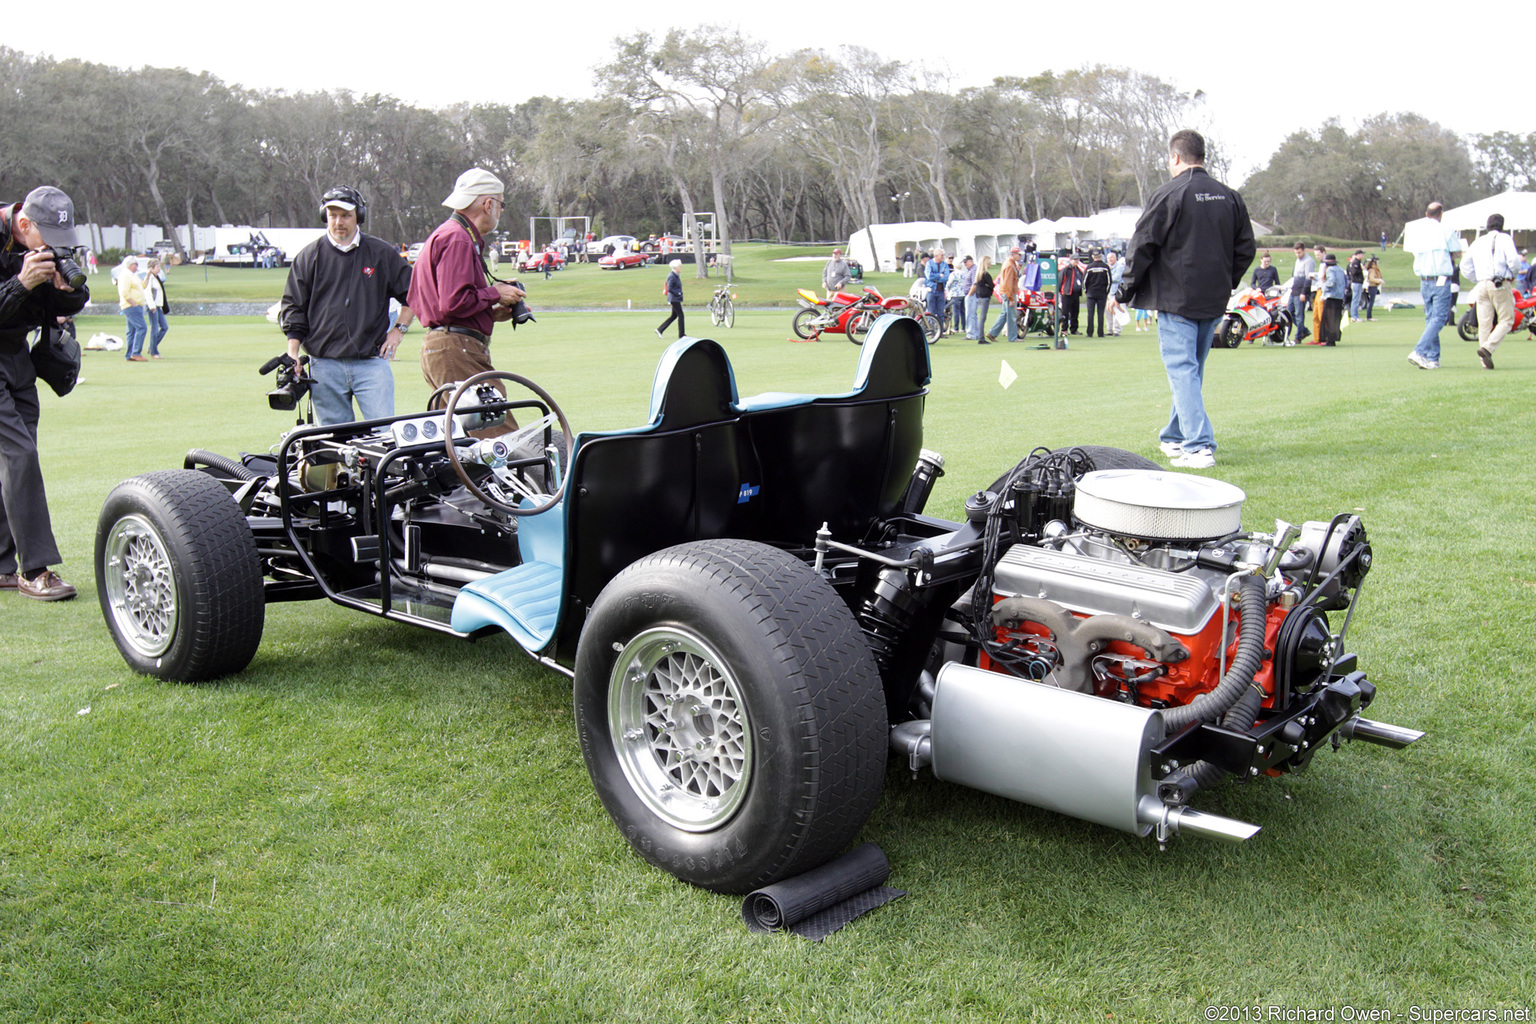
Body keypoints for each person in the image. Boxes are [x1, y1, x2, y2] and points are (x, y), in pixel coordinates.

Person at [1116, 129, 1254, 470]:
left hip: (1177, 299)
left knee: (1183, 370)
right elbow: (1246, 249)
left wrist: (1123, 291)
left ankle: (1198, 445)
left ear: (1175, 157)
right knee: (1191, 370)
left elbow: (1142, 245)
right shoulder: (1230, 196)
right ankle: (1174, 437)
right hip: (1213, 298)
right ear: (1202, 156)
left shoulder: (1170, 192)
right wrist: (1226, 280)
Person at [0, 186, 90, 601]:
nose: (56, 249)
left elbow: (67, 303)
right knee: (20, 455)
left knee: (16, 460)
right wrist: (21, 283)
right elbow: (16, 297)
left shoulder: (50, 249)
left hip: (17, 355)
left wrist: (67, 291)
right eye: (49, 240)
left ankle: (2, 565)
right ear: (24, 225)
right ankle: (35, 569)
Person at [280, 185, 415, 424]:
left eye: (345, 215)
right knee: (332, 445)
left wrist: (399, 330)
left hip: (371, 365)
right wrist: (293, 353)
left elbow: (415, 294)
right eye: (333, 215)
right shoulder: (308, 256)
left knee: (383, 438)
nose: (338, 222)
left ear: (358, 216)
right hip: (324, 366)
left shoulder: (381, 253)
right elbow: (293, 308)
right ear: (325, 217)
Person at [410, 168, 528, 416]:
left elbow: (439, 304)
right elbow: (452, 303)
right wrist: (495, 293)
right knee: (498, 437)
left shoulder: (447, 234)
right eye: (501, 204)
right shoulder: (458, 239)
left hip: (444, 346)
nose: (501, 211)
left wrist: (489, 313)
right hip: (457, 349)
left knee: (462, 443)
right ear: (489, 204)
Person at [1402, 201, 1463, 370]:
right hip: (1441, 278)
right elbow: (1457, 250)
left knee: (1431, 319)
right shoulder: (1446, 230)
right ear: (1441, 213)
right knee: (1440, 318)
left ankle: (1432, 358)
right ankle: (1419, 351)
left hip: (1424, 279)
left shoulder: (1417, 232)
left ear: (1426, 213)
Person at [1462, 212, 1522, 370]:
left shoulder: (1478, 241)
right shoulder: (1504, 239)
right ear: (1502, 226)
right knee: (1507, 319)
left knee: (1484, 323)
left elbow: (1465, 266)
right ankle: (1488, 348)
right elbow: (1514, 261)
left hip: (1482, 284)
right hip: (1500, 282)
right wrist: (1513, 274)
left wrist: (1477, 278)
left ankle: (1484, 361)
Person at [986, 248, 1022, 342]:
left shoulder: (1009, 263)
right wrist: (1011, 298)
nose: (1020, 256)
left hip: (1005, 292)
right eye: (1019, 254)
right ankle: (1013, 337)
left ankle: (992, 332)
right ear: (1013, 254)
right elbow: (1008, 283)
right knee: (1011, 316)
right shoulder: (1010, 265)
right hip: (1008, 292)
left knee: (1004, 314)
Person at [1312, 253, 1347, 345]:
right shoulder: (1340, 269)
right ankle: (1334, 338)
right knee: (1335, 319)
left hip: (1331, 296)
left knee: (1329, 319)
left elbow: (1331, 282)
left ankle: (1329, 340)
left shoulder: (1330, 270)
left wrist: (1324, 288)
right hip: (1339, 297)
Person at [117, 255, 147, 362]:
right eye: (136, 265)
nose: (137, 267)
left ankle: (129, 354)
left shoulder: (133, 275)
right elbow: (124, 292)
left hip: (136, 305)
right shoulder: (125, 275)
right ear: (131, 265)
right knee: (142, 327)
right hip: (130, 306)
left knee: (132, 330)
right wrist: (133, 302)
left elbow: (142, 286)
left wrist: (148, 275)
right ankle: (136, 353)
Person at [1289, 243, 1315, 342]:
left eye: (1299, 252)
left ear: (1304, 250)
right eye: (1296, 253)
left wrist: (1304, 293)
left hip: (1301, 291)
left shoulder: (1309, 261)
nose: (1298, 255)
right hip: (1294, 290)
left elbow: (1308, 278)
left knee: (1299, 315)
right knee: (1289, 313)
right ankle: (1304, 330)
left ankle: (1298, 336)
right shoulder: (1298, 260)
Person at [143, 258, 169, 358]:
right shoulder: (149, 277)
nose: (159, 269)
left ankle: (151, 346)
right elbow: (147, 292)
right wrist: (152, 306)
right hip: (152, 306)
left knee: (165, 327)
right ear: (151, 268)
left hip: (158, 306)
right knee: (154, 328)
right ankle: (154, 352)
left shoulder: (157, 277)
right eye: (157, 267)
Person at [1082, 249, 1111, 337]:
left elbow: (1084, 281)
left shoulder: (1089, 267)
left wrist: (1086, 291)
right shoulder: (1105, 267)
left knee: (1090, 314)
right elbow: (1109, 281)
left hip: (1091, 293)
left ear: (1093, 257)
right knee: (1100, 313)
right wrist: (1106, 291)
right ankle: (1100, 333)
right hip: (1102, 293)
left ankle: (1089, 333)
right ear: (1101, 256)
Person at [657, 259, 685, 339]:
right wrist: (678, 293)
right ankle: (681, 335)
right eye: (680, 267)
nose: (681, 268)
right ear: (675, 267)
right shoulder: (671, 276)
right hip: (674, 298)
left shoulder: (676, 275)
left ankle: (660, 329)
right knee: (681, 315)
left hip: (676, 298)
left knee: (674, 316)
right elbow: (669, 288)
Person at [968, 255, 993, 342]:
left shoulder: (979, 274)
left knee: (981, 317)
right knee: (982, 318)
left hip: (980, 297)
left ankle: (980, 336)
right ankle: (981, 337)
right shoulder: (985, 274)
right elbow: (991, 285)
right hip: (985, 297)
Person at [924, 249, 951, 330]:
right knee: (931, 313)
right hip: (932, 290)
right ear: (936, 256)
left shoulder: (944, 264)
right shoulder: (929, 264)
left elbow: (946, 277)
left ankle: (940, 331)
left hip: (941, 291)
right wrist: (939, 275)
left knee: (941, 313)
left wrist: (936, 278)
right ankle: (932, 330)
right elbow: (929, 276)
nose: (943, 257)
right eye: (942, 255)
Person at [1057, 254, 1083, 335]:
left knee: (1075, 312)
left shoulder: (1078, 270)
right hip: (1067, 293)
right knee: (1065, 312)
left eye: (1077, 259)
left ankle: (1074, 329)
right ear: (1070, 260)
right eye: (1074, 259)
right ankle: (1064, 329)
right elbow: (1060, 281)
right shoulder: (1066, 270)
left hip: (1076, 293)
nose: (1076, 261)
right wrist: (1061, 292)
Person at [949, 256, 974, 335]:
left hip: (955, 294)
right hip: (963, 294)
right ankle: (963, 327)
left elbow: (949, 283)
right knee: (963, 311)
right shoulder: (965, 273)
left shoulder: (953, 274)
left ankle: (956, 327)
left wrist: (947, 289)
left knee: (956, 311)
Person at [1346, 250, 1365, 322]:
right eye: (1362, 254)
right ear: (1358, 254)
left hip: (1356, 283)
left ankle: (1355, 316)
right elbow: (1354, 272)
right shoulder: (1356, 262)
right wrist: (1361, 269)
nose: (1363, 256)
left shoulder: (1356, 262)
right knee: (1356, 300)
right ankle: (1354, 316)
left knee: (1356, 300)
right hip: (1356, 282)